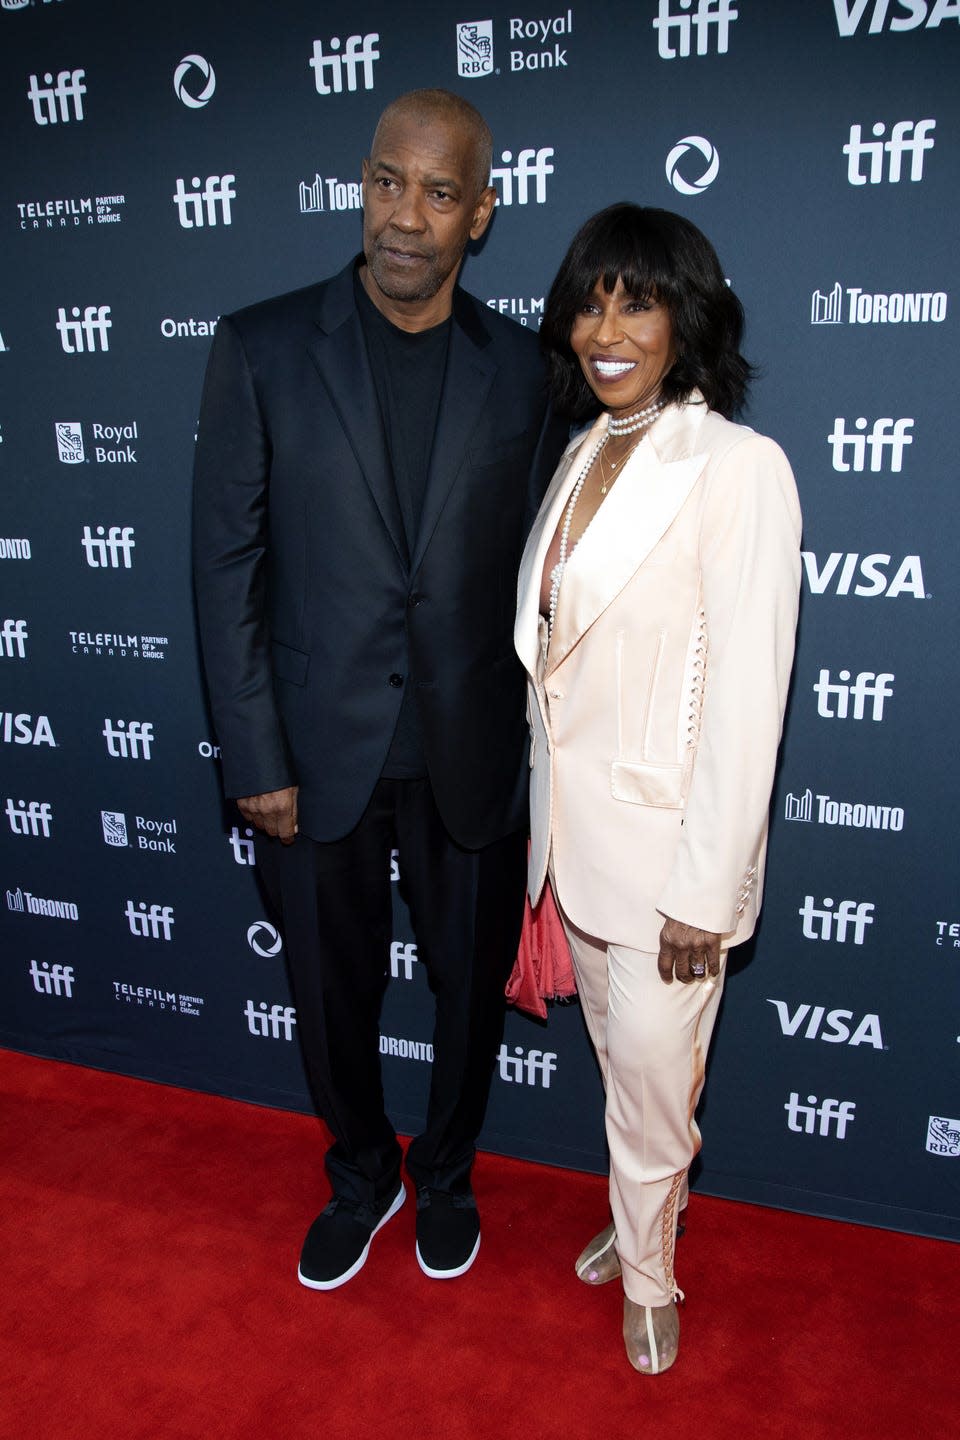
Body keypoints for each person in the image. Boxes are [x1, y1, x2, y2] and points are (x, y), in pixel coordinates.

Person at [193, 89, 566, 1291]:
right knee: (327, 996)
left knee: (468, 1006)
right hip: (312, 757)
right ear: (363, 182)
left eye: (440, 192)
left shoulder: (528, 372)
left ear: (482, 214)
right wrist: (254, 759)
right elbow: (226, 566)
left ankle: (447, 1174)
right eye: (388, 182)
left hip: (471, 755)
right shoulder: (259, 347)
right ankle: (361, 1173)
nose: (407, 216)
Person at [514, 204, 801, 1373]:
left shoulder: (736, 467)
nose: (608, 327)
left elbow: (748, 699)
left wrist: (706, 888)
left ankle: (649, 1273)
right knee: (630, 1079)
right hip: (570, 845)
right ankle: (646, 1214)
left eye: (636, 299)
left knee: (653, 1090)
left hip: (668, 863)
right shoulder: (586, 449)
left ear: (689, 318)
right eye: (591, 300)